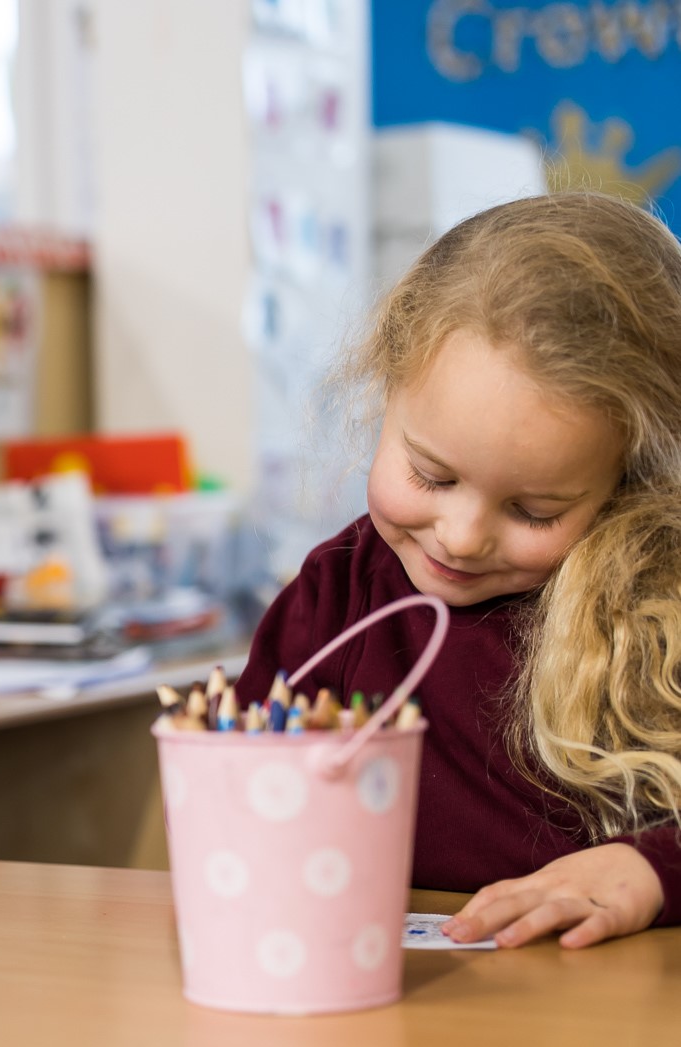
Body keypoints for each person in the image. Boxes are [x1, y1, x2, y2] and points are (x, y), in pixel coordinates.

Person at [235, 193, 681, 950]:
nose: (462, 536)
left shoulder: (658, 607)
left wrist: (651, 871)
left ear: (625, 481)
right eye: (431, 475)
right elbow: (243, 797)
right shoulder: (335, 594)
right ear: (385, 391)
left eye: (534, 510)